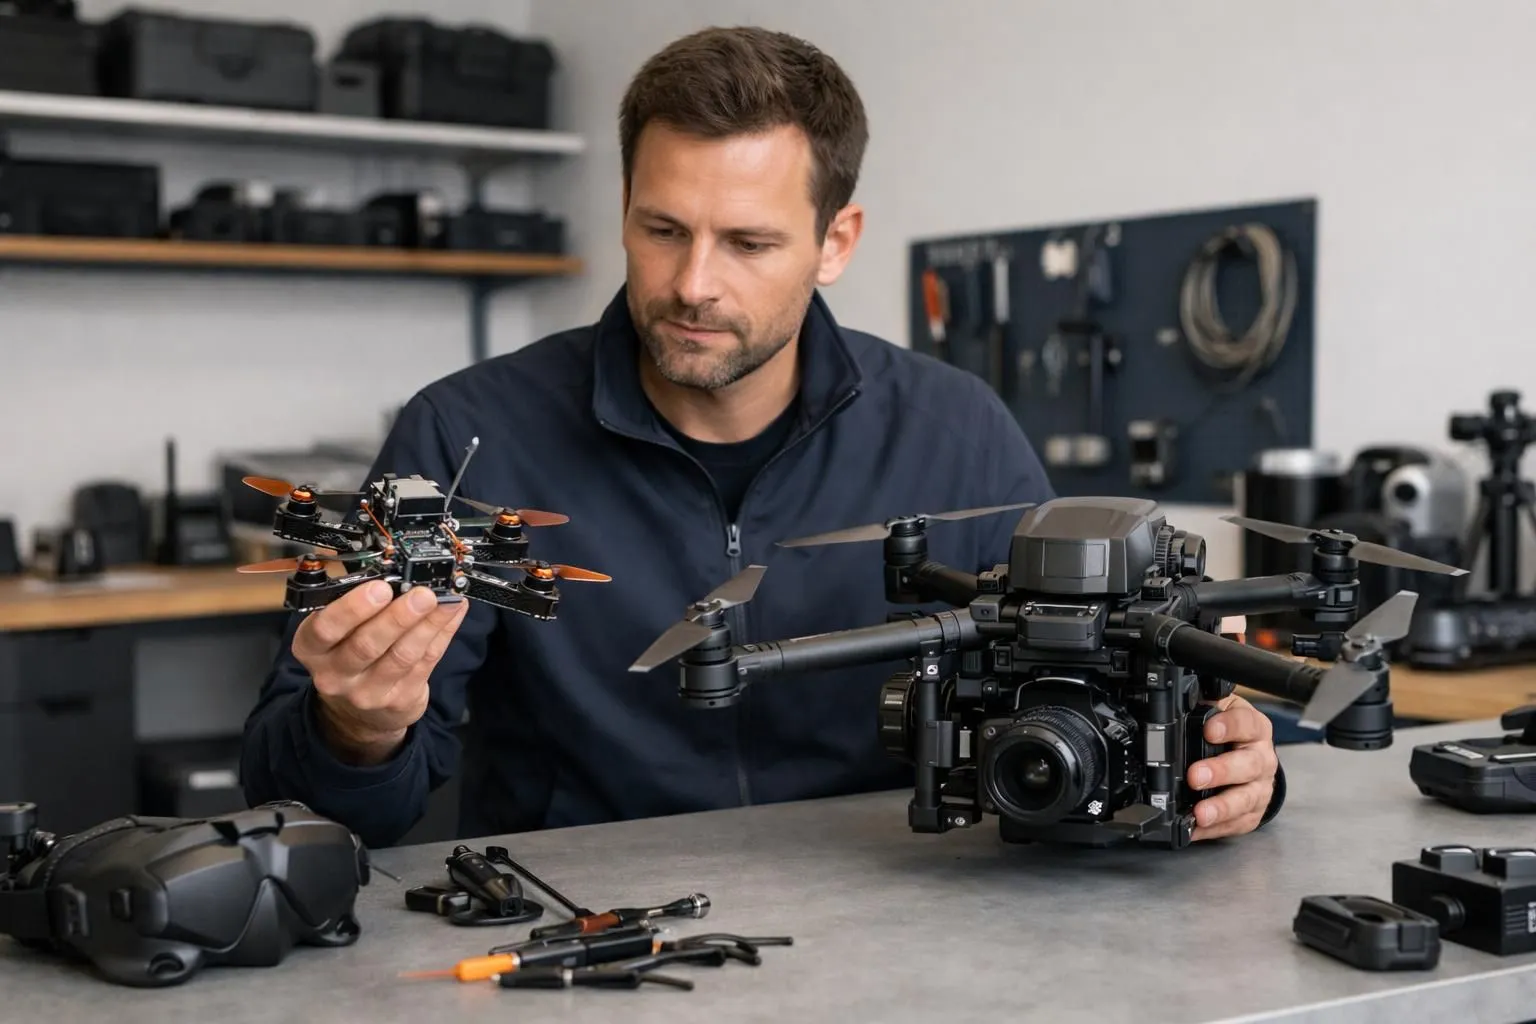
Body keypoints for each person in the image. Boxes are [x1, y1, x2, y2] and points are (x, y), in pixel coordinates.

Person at [240, 25, 1282, 850]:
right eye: (663, 229)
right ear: (623, 208)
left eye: (747, 241)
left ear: (837, 242)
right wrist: (358, 728)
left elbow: (1108, 709)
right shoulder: (463, 433)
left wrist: (1240, 769)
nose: (694, 283)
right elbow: (317, 809)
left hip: (897, 922)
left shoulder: (959, 430)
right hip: (575, 938)